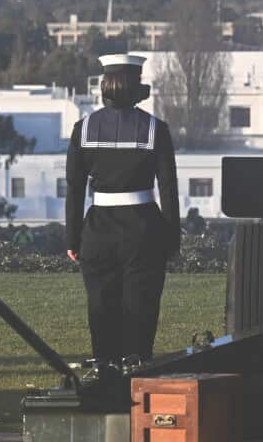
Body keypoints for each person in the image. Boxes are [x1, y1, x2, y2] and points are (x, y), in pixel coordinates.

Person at [65, 54, 180, 370]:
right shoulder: (156, 129)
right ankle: (138, 359)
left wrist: (72, 239)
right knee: (141, 301)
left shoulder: (83, 128)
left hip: (98, 228)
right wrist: (172, 237)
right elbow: (168, 188)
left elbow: (74, 189)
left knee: (101, 301)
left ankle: (105, 361)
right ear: (136, 87)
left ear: (104, 85)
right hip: (143, 227)